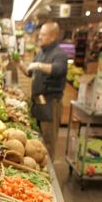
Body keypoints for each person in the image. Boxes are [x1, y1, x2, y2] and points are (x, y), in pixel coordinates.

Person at [16, 21, 68, 160]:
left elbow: (58, 69)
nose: (39, 37)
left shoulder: (59, 54)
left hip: (50, 104)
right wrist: (18, 64)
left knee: (48, 140)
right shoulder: (41, 52)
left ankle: (48, 173)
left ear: (53, 36)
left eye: (43, 35)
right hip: (38, 103)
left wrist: (38, 65)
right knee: (38, 138)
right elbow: (30, 72)